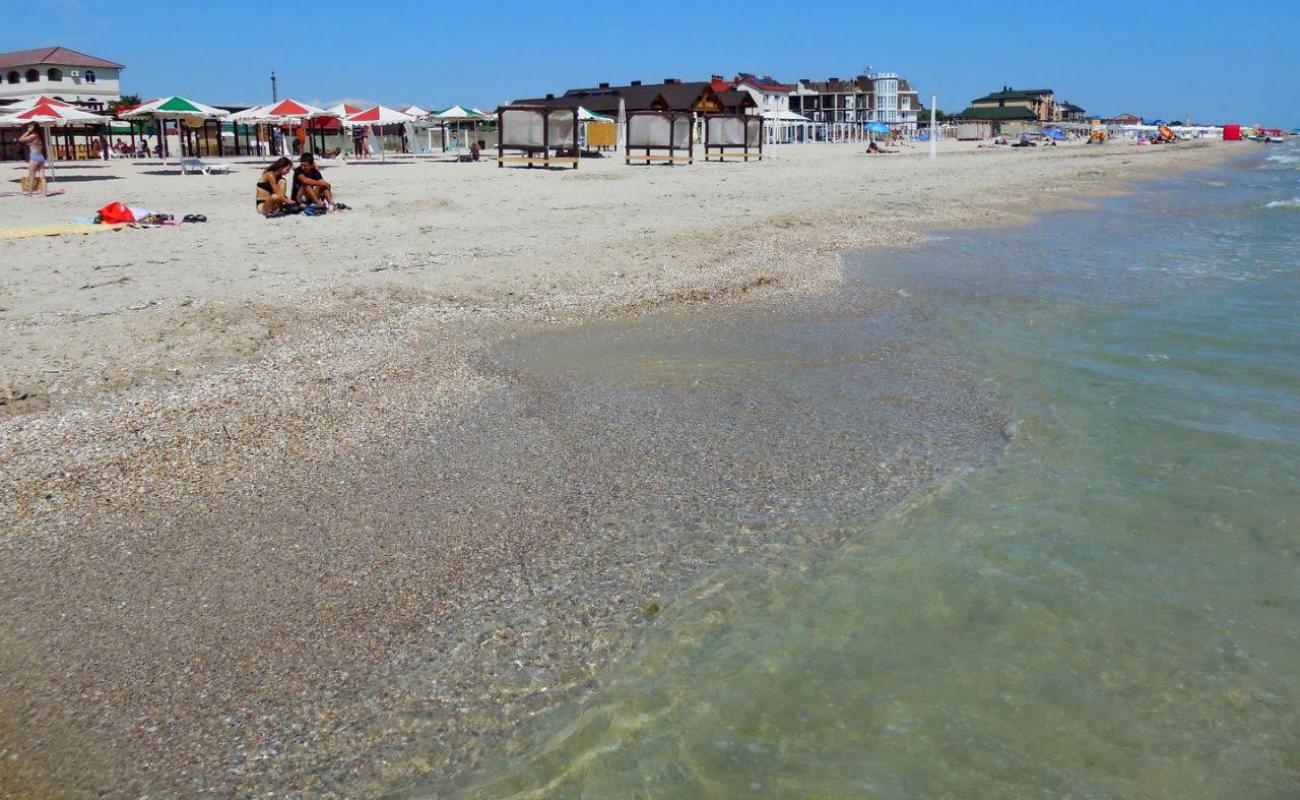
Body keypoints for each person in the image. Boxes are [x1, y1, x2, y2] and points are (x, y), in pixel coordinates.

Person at [18, 122, 47, 196]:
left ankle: (30, 193)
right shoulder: (40, 136)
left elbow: (21, 139)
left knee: (31, 177)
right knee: (42, 177)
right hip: (41, 157)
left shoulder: (33, 135)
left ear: (34, 127)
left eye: (30, 127)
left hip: (34, 157)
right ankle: (44, 193)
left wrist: (27, 131)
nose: (29, 128)